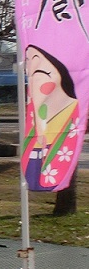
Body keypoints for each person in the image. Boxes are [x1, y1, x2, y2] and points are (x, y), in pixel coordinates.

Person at [21, 44, 82, 191]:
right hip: (37, 158)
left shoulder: (73, 112)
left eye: (41, 73)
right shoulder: (37, 114)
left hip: (54, 165)